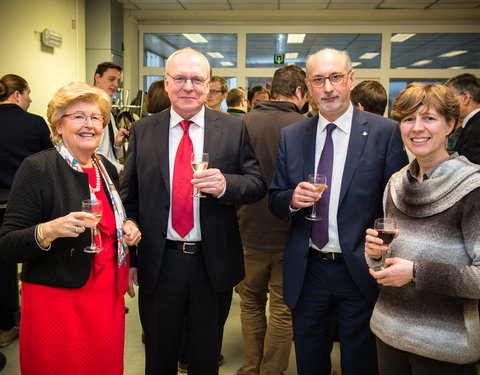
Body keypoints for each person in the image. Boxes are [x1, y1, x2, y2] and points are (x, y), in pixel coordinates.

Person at [121, 47, 266, 374]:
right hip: (160, 262)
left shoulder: (232, 128)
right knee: (158, 356)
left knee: (205, 357)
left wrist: (226, 184)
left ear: (209, 84)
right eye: (181, 79)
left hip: (211, 264)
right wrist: (131, 258)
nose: (189, 86)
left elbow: (256, 184)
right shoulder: (144, 130)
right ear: (167, 83)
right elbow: (128, 200)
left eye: (197, 79)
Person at [268, 48, 408, 375]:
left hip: (359, 267)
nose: (328, 87)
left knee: (361, 360)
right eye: (319, 80)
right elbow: (273, 198)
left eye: (335, 77)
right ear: (308, 85)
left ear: (350, 80)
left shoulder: (383, 132)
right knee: (309, 358)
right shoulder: (292, 135)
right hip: (308, 269)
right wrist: (291, 198)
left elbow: (396, 204)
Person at [0, 81, 141, 375]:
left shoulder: (106, 167)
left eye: (96, 117)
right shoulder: (38, 167)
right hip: (57, 297)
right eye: (78, 116)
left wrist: (128, 226)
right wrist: (49, 230)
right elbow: (9, 243)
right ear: (58, 124)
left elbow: (114, 217)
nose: (89, 125)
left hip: (105, 297)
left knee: (101, 365)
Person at [364, 83, 480, 375]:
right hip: (389, 332)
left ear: (450, 124)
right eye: (408, 119)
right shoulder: (395, 183)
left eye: (429, 118)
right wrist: (376, 255)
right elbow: (388, 261)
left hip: (444, 345)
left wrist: (416, 272)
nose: (417, 128)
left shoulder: (472, 188)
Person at [236, 64, 307, 375]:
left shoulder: (242, 124)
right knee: (283, 308)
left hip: (246, 231)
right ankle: (272, 371)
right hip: (290, 234)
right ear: (299, 92)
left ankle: (251, 367)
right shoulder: (306, 127)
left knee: (250, 303)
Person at [0, 74, 52, 348]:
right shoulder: (34, 123)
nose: (30, 99)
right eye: (28, 93)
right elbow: (53, 161)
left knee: (2, 265)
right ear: (18, 94)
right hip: (28, 204)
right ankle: (27, 318)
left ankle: (5, 325)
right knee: (30, 260)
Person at [94, 62, 129, 172]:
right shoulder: (91, 109)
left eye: (118, 81)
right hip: (100, 171)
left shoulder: (107, 110)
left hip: (110, 171)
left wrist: (117, 142)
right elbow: (92, 152)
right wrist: (121, 168)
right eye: (111, 79)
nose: (115, 85)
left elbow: (114, 154)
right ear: (97, 77)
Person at [444, 73, 480, 164]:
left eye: (450, 98)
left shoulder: (475, 129)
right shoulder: (472, 125)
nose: (447, 104)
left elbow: (473, 167)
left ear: (466, 98)